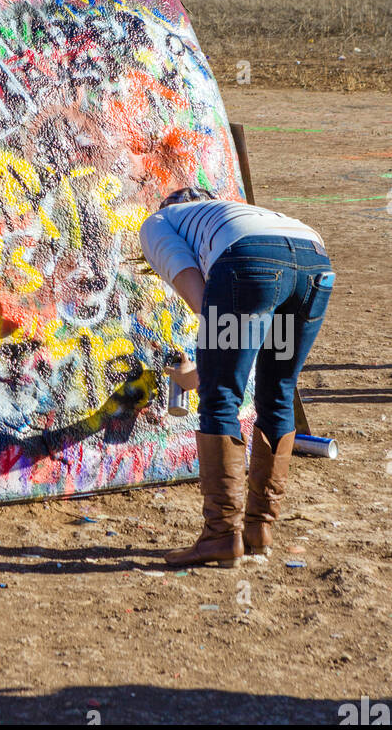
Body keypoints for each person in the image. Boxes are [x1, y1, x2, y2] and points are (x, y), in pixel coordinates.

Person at [139, 187, 335, 568]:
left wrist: (200, 375)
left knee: (220, 399)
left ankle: (221, 536)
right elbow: (237, 334)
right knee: (277, 392)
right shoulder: (238, 215)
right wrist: (200, 371)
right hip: (313, 264)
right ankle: (259, 530)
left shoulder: (159, 223)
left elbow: (208, 311)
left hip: (252, 265)